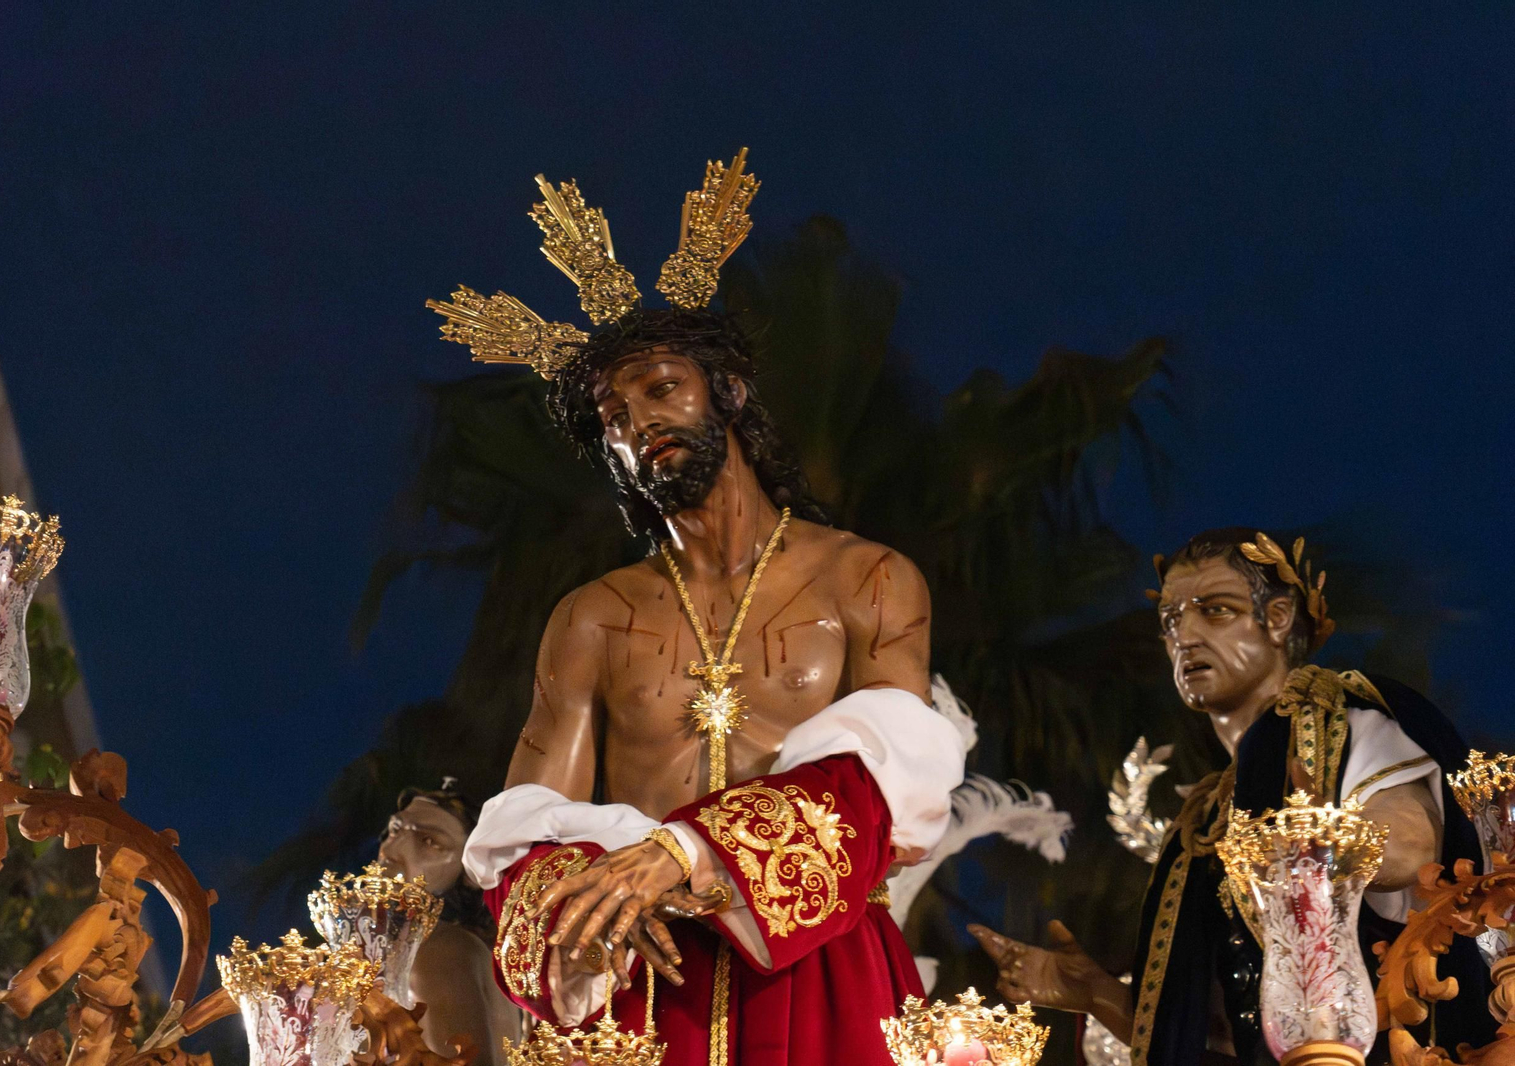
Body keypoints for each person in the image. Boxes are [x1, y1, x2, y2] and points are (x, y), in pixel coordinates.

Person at [435, 151, 965, 1065]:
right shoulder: (591, 619)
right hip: (648, 982)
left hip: (821, 971)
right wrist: (579, 906)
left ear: (728, 392)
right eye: (612, 417)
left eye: (661, 390)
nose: (640, 427)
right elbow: (525, 825)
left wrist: (688, 853)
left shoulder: (867, 579)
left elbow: (890, 786)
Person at [972, 528, 1494, 1065]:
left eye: (1214, 611)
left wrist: (1317, 842)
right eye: (1172, 620)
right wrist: (1092, 991)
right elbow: (1223, 1039)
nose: (1187, 637)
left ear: (1279, 617)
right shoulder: (1202, 821)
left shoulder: (1338, 724)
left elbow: (1416, 847)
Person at [377, 782, 524, 1066]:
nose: (392, 849)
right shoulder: (458, 947)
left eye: (429, 841)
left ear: (471, 872)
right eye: (395, 829)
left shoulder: (440, 950)